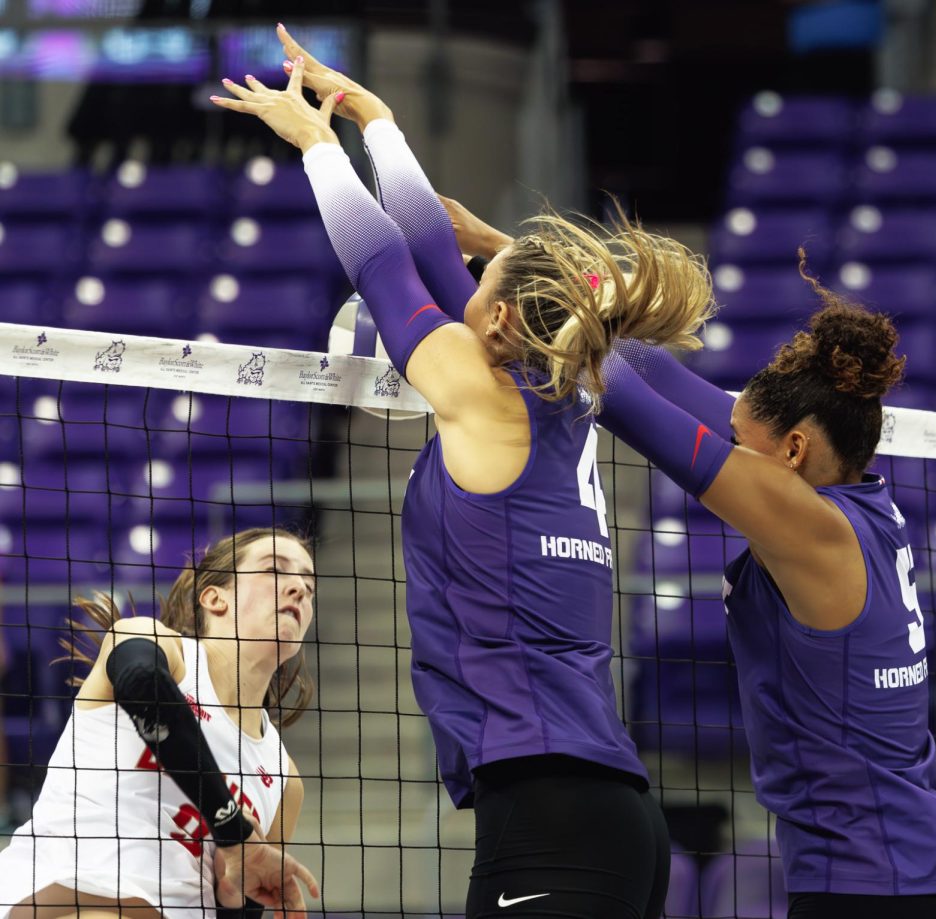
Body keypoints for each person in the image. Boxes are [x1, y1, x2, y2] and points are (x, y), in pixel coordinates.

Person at [212, 32, 717, 918]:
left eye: (484, 292)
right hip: (603, 812)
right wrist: (381, 121)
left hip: (552, 809)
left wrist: (320, 146)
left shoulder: (481, 391)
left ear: (504, 320)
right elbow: (439, 256)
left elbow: (386, 267)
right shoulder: (569, 378)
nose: (468, 292)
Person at [441, 201, 936, 917]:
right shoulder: (858, 510)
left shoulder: (811, 525)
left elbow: (632, 403)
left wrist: (511, 301)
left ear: (794, 451)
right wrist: (509, 255)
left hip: (874, 883)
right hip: (888, 874)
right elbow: (654, 374)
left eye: (740, 439)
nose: (727, 442)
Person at [0, 528, 321, 919]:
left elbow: (243, 899)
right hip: (65, 898)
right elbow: (141, 682)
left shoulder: (285, 780)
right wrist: (231, 825)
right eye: (275, 571)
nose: (299, 590)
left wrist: (231, 893)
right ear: (214, 598)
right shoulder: (158, 646)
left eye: (308, 584)